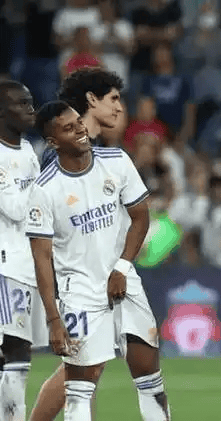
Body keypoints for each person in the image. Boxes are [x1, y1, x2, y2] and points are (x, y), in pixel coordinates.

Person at [30, 68, 166, 421]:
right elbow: (53, 238)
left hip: (116, 275)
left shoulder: (111, 157)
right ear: (92, 100)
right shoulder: (54, 170)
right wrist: (55, 314)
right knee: (80, 377)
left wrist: (122, 263)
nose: (120, 108)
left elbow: (136, 214)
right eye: (114, 99)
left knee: (102, 372)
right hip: (80, 283)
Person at [0, 79, 43, 421]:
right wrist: (44, 188)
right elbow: (14, 208)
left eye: (30, 102)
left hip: (25, 263)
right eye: (21, 104)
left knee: (19, 356)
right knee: (14, 351)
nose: (31, 110)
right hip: (5, 265)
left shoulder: (28, 149)